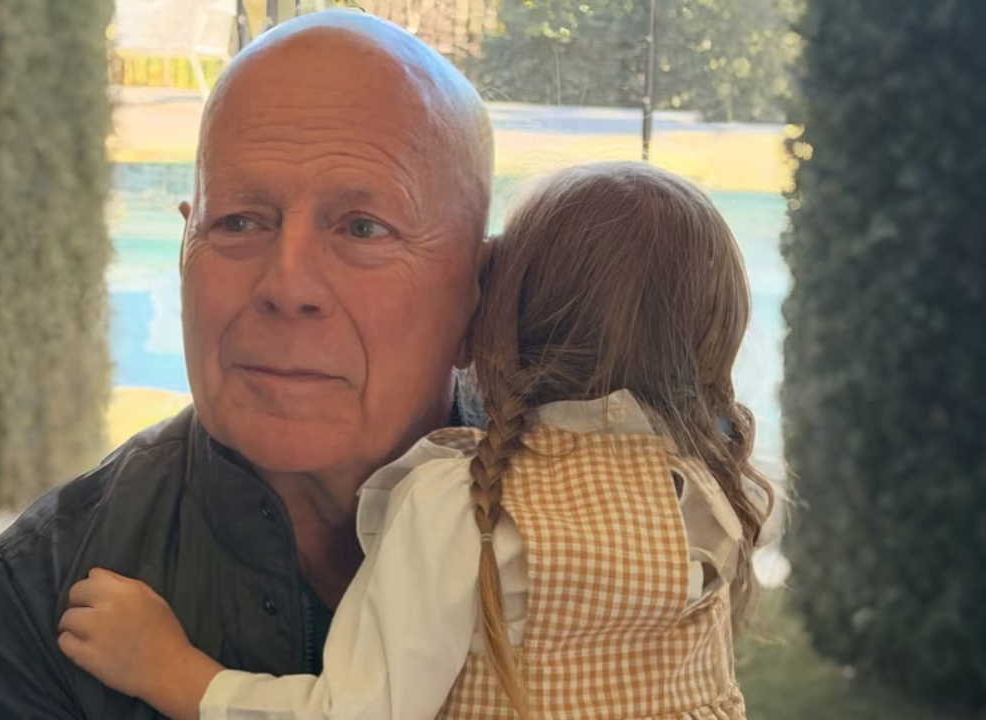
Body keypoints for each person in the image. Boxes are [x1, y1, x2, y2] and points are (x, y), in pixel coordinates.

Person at [0, 11, 494, 719]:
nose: (287, 284)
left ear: (478, 294)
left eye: (363, 228)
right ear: (185, 250)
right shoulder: (31, 613)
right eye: (239, 222)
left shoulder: (606, 547)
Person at [56, 162, 777, 719]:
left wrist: (175, 672)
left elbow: (358, 713)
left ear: (488, 315)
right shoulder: (706, 498)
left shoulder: (464, 507)